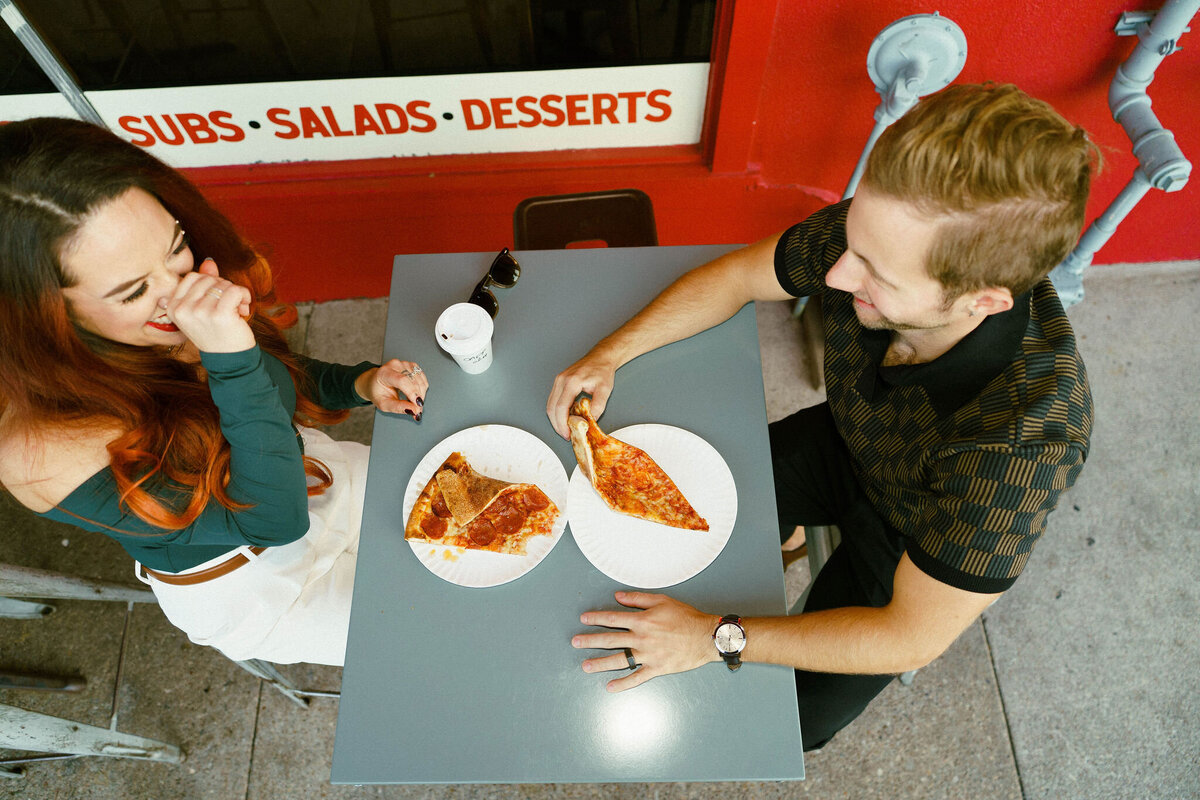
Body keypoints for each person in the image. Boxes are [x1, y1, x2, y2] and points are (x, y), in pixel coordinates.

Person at [546, 83, 1098, 751]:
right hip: (846, 442)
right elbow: (739, 278)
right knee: (675, 513)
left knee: (791, 719)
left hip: (909, 542)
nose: (834, 277)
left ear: (979, 302)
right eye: (854, 237)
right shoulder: (877, 236)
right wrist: (609, 355)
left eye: (874, 273)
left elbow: (911, 633)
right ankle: (784, 538)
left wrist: (714, 635)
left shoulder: (1019, 449)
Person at [0, 117, 426, 667]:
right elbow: (274, 520)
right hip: (257, 583)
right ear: (42, 319)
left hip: (318, 473)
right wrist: (227, 357)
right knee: (425, 632)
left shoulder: (166, 310)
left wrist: (360, 382)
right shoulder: (36, 453)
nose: (180, 294)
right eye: (134, 291)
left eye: (176, 247)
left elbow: (272, 376)